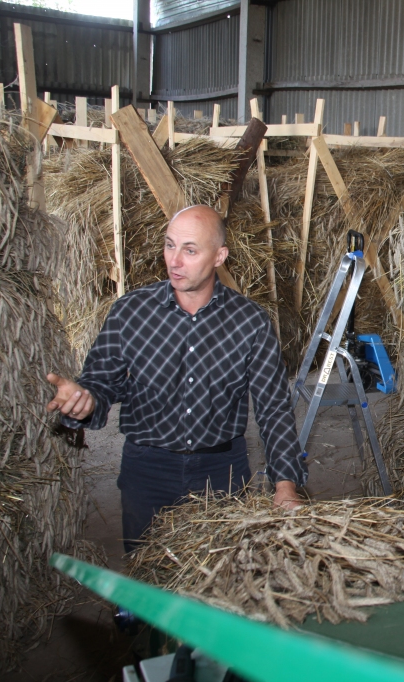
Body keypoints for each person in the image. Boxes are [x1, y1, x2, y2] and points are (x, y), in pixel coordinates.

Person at [46, 205, 306, 552]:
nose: (174, 261)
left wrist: (285, 485)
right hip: (147, 470)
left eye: (190, 250)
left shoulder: (250, 322)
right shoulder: (131, 311)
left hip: (223, 474)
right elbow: (100, 381)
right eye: (170, 245)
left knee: (220, 583)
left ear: (219, 256)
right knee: (147, 585)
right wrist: (85, 400)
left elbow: (274, 409)